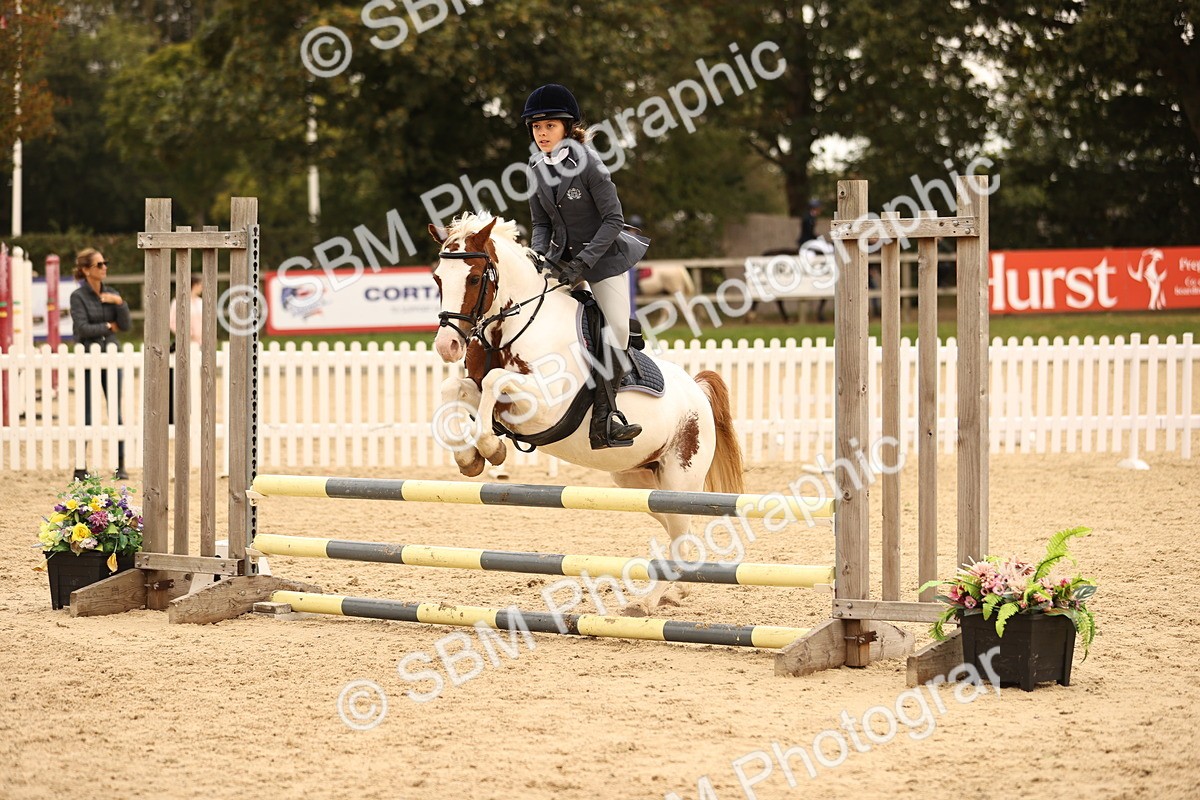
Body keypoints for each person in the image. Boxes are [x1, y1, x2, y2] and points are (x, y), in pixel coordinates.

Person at [523, 83, 649, 449]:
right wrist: (539, 257)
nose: (542, 134)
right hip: (562, 260)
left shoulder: (590, 164)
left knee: (618, 335)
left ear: (566, 127)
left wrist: (582, 263)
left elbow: (613, 219)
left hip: (604, 260)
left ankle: (608, 418)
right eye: (536, 127)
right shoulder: (535, 167)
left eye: (549, 126)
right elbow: (540, 224)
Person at [69, 248, 132, 480]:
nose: (105, 267)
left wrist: (120, 302)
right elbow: (82, 329)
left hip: (111, 356)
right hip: (87, 357)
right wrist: (108, 326)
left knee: (115, 410)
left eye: (105, 263)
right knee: (86, 412)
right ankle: (80, 466)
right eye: (99, 264)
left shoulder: (112, 293)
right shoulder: (78, 297)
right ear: (86, 270)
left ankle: (120, 464)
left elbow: (125, 325)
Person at [169, 275, 204, 347]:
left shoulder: (201, 302)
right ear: (194, 285)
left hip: (202, 342)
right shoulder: (178, 302)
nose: (202, 287)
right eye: (200, 285)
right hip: (184, 342)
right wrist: (188, 334)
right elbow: (172, 322)